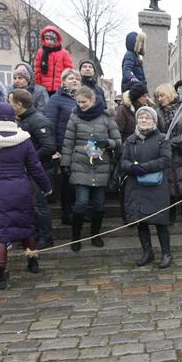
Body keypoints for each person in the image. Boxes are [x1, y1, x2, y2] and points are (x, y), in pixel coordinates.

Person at [0, 102, 52, 290]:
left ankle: (0, 275)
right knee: (26, 227)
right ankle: (33, 263)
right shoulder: (23, 139)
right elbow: (35, 168)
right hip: (20, 188)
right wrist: (46, 187)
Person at [60, 86, 121, 252]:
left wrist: (107, 143)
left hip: (101, 165)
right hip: (80, 165)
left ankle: (95, 235)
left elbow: (118, 141)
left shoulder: (107, 117)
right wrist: (65, 164)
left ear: (93, 100)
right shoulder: (74, 117)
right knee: (80, 203)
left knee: (99, 204)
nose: (81, 105)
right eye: (78, 102)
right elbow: (68, 142)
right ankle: (76, 237)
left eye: (84, 102)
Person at [122, 106, 172, 268]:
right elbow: (123, 161)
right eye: (141, 117)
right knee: (141, 221)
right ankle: (147, 252)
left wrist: (143, 167)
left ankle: (166, 254)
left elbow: (165, 160)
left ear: (154, 121)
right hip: (136, 186)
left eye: (147, 118)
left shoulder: (162, 139)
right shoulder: (130, 140)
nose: (143, 120)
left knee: (160, 221)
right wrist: (131, 167)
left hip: (157, 186)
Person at [10, 89, 56, 249]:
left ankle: (46, 237)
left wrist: (28, 160)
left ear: (19, 104)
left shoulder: (38, 120)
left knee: (40, 205)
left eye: (11, 102)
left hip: (41, 170)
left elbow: (49, 147)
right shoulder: (23, 120)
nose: (9, 105)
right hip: (30, 170)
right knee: (32, 205)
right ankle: (35, 234)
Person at [155, 83, 182, 227]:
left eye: (162, 95)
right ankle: (171, 214)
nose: (159, 99)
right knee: (169, 186)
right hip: (168, 153)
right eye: (157, 96)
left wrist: (177, 140)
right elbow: (156, 130)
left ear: (169, 94)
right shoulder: (157, 112)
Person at [44, 68, 81, 225]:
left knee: (78, 181)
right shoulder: (56, 99)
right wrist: (54, 148)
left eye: (77, 79)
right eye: (71, 78)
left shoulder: (81, 98)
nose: (75, 81)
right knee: (68, 181)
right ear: (63, 81)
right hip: (63, 146)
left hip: (80, 147)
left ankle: (77, 210)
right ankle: (67, 213)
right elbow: (49, 124)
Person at [33, 26, 73, 95]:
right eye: (46, 38)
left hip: (60, 88)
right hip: (44, 88)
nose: (48, 41)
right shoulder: (40, 52)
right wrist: (38, 86)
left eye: (51, 39)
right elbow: (38, 71)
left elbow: (68, 71)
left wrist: (66, 85)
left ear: (56, 39)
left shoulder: (64, 53)